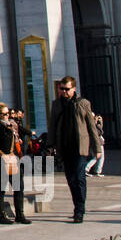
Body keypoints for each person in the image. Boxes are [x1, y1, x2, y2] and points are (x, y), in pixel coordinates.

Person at [47, 76, 101, 223]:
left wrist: (97, 147)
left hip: (80, 146)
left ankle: (80, 209)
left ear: (74, 89)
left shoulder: (83, 103)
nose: (64, 91)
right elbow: (52, 125)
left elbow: (91, 126)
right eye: (61, 89)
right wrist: (50, 145)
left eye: (67, 89)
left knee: (79, 177)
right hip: (64, 146)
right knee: (70, 179)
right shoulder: (57, 104)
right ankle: (76, 206)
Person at [0, 102, 29, 224]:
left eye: (8, 113)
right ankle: (1, 216)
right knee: (0, 189)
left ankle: (20, 214)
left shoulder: (9, 125)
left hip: (12, 159)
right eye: (4, 114)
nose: (7, 116)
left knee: (19, 186)